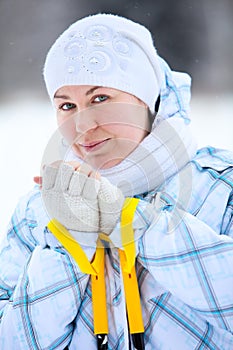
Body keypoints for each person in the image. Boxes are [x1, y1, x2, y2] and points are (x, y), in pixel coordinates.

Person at [0, 13, 233, 350]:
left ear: (147, 101)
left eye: (100, 99)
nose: (83, 126)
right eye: (67, 105)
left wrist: (130, 221)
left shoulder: (221, 188)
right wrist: (69, 243)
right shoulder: (38, 213)